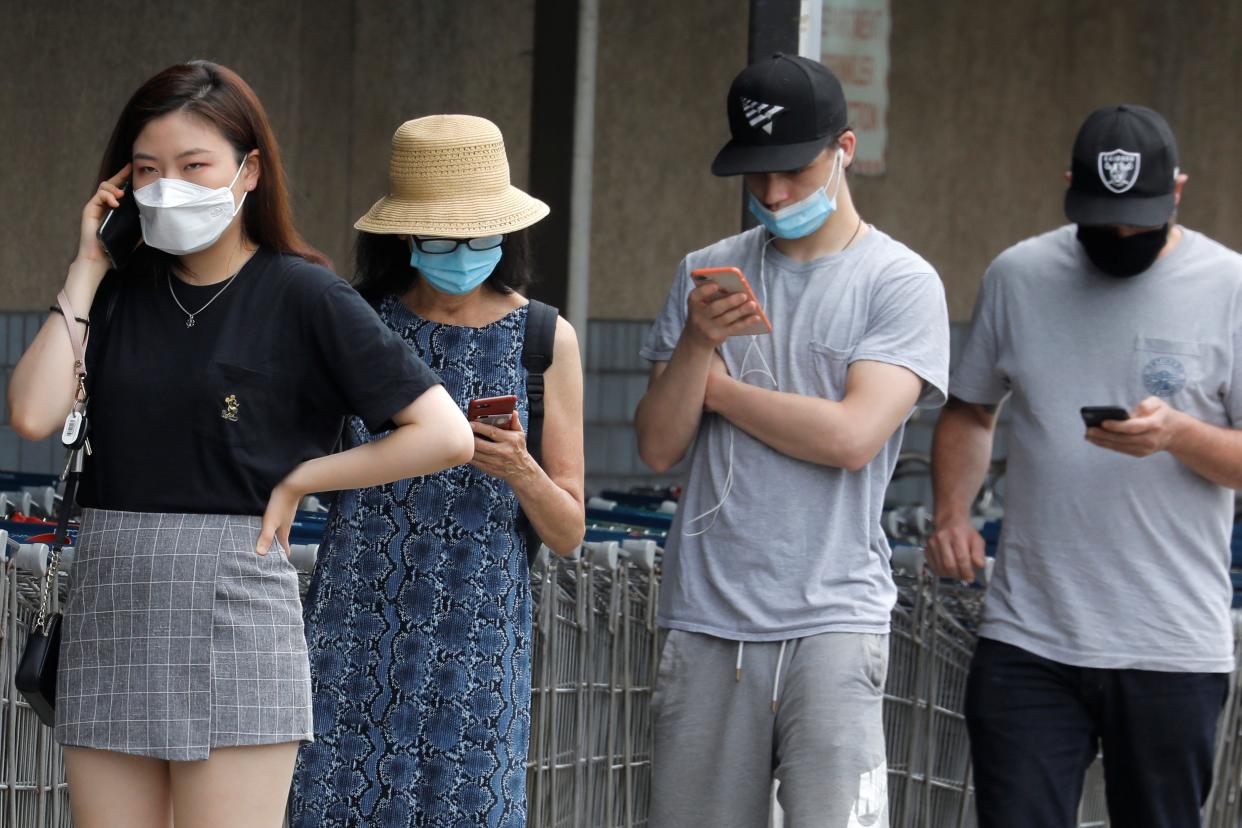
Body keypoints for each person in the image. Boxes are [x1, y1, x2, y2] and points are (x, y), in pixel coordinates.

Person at [6, 62, 474, 828]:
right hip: (114, 595)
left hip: (236, 594)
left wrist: (300, 481)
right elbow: (31, 413)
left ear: (249, 170)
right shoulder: (116, 293)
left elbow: (445, 433)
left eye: (195, 167)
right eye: (148, 171)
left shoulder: (304, 293)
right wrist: (89, 263)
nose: (169, 187)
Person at [634, 54, 949, 827]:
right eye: (755, 175)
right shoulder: (705, 272)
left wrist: (719, 387)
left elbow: (852, 437)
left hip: (834, 615)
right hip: (707, 611)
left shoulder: (899, 281)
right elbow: (656, 445)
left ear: (843, 150)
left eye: (793, 171)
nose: (774, 194)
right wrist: (697, 348)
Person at [927, 104, 1239, 828]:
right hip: (1029, 636)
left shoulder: (1230, 286)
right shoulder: (1020, 274)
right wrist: (951, 514)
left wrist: (1181, 436)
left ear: (1178, 194)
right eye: (1103, 220)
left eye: (1138, 221)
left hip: (1171, 647)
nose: (1120, 237)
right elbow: (971, 410)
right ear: (1070, 188)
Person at [290, 114, 585, 827]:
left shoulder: (545, 338)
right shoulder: (355, 321)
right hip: (353, 630)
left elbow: (569, 529)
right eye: (441, 238)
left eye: (480, 238)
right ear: (402, 235)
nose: (462, 255)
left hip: (480, 645)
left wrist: (520, 469)